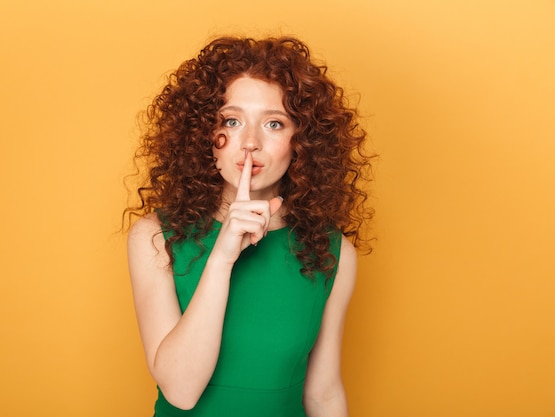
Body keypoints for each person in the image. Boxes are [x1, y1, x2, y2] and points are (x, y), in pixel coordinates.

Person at [124, 36, 373, 417]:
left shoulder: (332, 251)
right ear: (205, 135)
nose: (250, 143)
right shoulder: (155, 237)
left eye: (274, 123)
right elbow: (181, 391)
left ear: (300, 141)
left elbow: (323, 393)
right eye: (232, 120)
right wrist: (222, 258)